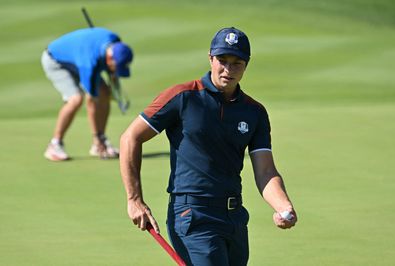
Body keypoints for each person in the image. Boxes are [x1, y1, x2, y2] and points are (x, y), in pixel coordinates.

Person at [120, 27, 297, 265]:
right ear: (210, 58)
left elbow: (265, 171)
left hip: (235, 217)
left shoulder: (254, 112)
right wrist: (134, 199)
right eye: (222, 61)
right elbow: (130, 138)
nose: (228, 69)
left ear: (246, 65)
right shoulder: (183, 97)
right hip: (193, 215)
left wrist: (283, 205)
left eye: (237, 63)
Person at [41, 27, 133, 161]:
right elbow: (91, 102)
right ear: (109, 58)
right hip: (55, 60)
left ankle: (100, 142)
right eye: (116, 67)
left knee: (104, 92)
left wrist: (113, 74)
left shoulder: (116, 42)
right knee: (76, 99)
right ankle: (54, 145)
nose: (116, 71)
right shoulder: (89, 63)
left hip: (78, 56)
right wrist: (95, 135)